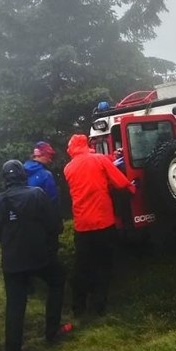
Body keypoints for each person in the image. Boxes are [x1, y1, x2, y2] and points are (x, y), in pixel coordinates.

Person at [0, 159, 70, 351]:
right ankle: (52, 332)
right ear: (23, 175)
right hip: (39, 257)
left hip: (13, 263)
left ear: (5, 178)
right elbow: (54, 225)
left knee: (15, 305)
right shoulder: (36, 194)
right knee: (57, 280)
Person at [64, 134, 135, 317]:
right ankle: (98, 307)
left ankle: (78, 308)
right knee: (104, 265)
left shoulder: (68, 168)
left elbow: (91, 167)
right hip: (104, 223)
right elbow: (119, 182)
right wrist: (132, 187)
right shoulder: (99, 160)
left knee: (82, 267)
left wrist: (112, 156)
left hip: (82, 226)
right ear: (87, 145)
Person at [24, 141, 59, 205]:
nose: (50, 160)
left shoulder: (21, 170)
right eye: (48, 156)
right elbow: (53, 200)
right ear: (40, 155)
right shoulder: (46, 175)